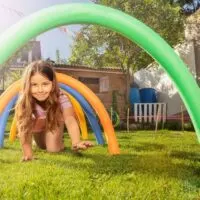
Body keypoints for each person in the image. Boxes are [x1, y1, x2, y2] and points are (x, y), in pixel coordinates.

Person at [15, 60, 93, 161]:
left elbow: (70, 119)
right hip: (37, 125)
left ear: (52, 83)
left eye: (45, 84)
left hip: (53, 122)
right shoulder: (24, 100)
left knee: (53, 149)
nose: (40, 90)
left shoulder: (61, 97)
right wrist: (28, 154)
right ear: (27, 85)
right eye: (34, 85)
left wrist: (76, 141)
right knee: (42, 146)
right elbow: (23, 127)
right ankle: (40, 139)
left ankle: (59, 142)